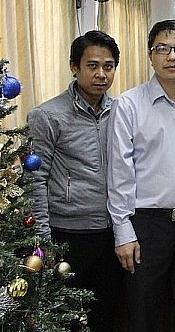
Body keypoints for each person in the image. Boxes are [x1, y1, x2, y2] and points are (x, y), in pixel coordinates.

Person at [107, 20, 175, 331]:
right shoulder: (128, 104)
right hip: (146, 226)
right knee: (144, 311)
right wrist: (123, 230)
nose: (172, 57)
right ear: (150, 55)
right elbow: (119, 171)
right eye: (162, 49)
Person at [27, 30, 123, 332]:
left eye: (108, 66)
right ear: (74, 67)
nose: (101, 74)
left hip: (110, 233)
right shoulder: (48, 115)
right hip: (66, 233)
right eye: (92, 65)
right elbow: (35, 179)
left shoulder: (121, 112)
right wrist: (43, 239)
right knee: (64, 318)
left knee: (106, 314)